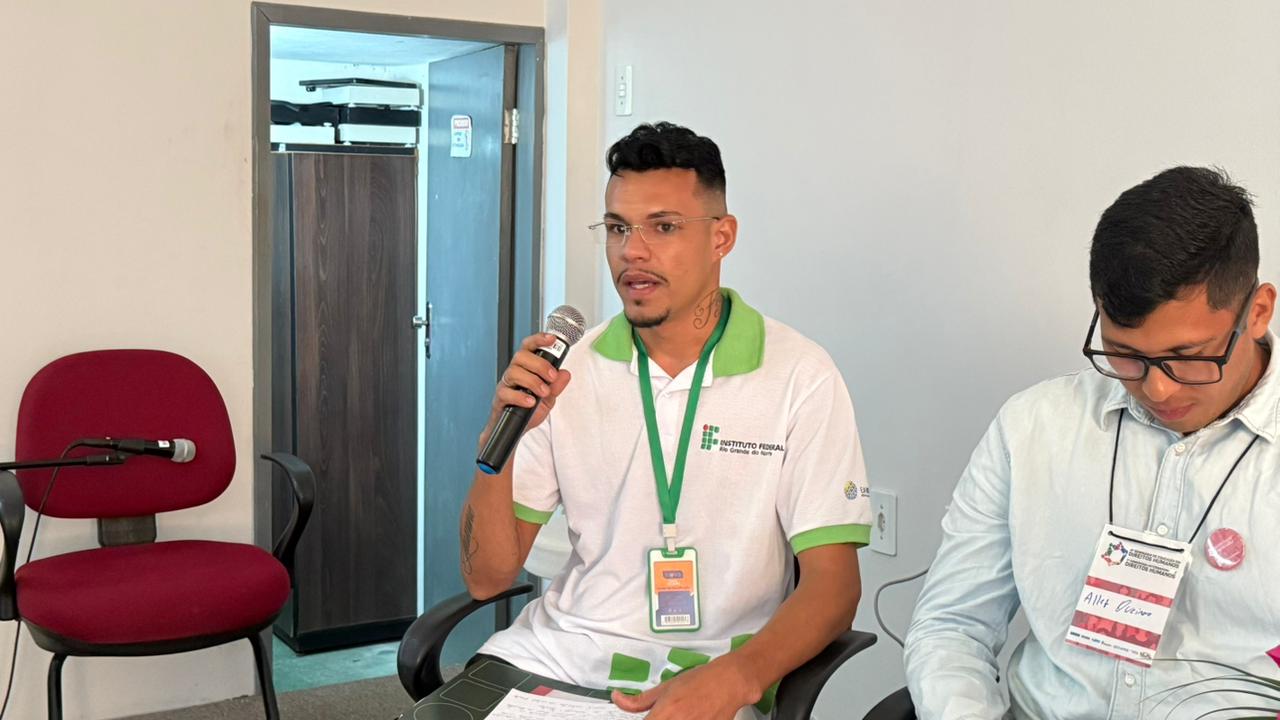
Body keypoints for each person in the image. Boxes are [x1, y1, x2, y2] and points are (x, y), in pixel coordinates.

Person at [458, 122, 872, 720]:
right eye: (618, 228)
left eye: (664, 226)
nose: (633, 251)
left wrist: (738, 677)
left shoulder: (800, 375)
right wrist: (496, 446)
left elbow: (835, 587)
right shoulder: (565, 372)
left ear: (721, 237)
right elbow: (487, 579)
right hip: (558, 659)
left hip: (713, 673)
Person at [904, 166, 1280, 719]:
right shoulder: (1032, 429)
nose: (1157, 388)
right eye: (1123, 353)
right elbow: (951, 627)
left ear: (1258, 312)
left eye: (1186, 357)